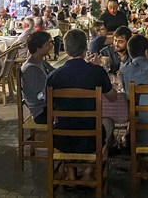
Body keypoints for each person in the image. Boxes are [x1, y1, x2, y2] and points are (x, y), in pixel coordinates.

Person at [46, 29, 116, 182]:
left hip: (61, 137)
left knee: (68, 122)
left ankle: (71, 173)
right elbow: (113, 97)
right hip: (90, 138)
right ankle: (88, 171)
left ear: (65, 47)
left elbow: (48, 105)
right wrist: (99, 68)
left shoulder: (54, 76)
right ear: (85, 49)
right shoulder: (96, 72)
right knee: (109, 123)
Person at [21, 31, 56, 123]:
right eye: (48, 43)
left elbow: (56, 73)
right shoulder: (31, 68)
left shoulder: (40, 62)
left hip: (47, 106)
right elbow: (41, 96)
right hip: (41, 112)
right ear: (38, 47)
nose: (51, 45)